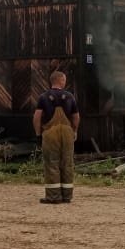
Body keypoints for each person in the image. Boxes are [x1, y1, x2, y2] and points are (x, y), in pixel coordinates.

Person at [33, 71, 80, 204]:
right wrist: (75, 131)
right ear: (60, 80)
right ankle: (67, 196)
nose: (65, 82)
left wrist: (38, 134)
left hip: (50, 132)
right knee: (67, 163)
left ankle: (54, 197)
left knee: (52, 163)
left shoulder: (43, 97)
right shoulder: (70, 96)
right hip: (67, 132)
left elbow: (37, 118)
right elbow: (76, 117)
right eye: (64, 79)